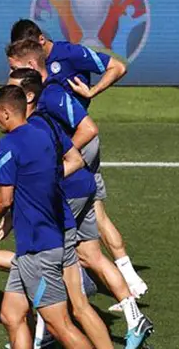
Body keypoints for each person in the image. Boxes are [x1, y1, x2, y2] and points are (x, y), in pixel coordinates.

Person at [0, 86, 124, 349]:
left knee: (60, 322)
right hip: (44, 240)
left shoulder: (9, 145)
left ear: (7, 113)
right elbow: (73, 160)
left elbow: (3, 199)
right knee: (11, 315)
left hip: (40, 247)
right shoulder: (46, 132)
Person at [8, 68, 153, 349]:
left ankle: (44, 331)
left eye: (12, 90)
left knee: (43, 258)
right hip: (83, 186)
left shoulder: (34, 126)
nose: (5, 95)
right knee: (91, 255)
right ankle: (134, 318)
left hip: (68, 194)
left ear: (28, 96)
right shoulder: (44, 119)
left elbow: (63, 159)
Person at [8, 21, 145, 297]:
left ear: (40, 43)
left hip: (79, 141)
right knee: (94, 212)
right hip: (71, 139)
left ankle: (75, 282)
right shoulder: (43, 83)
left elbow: (117, 67)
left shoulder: (67, 58)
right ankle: (128, 281)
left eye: (15, 68)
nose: (13, 74)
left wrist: (92, 92)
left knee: (62, 218)